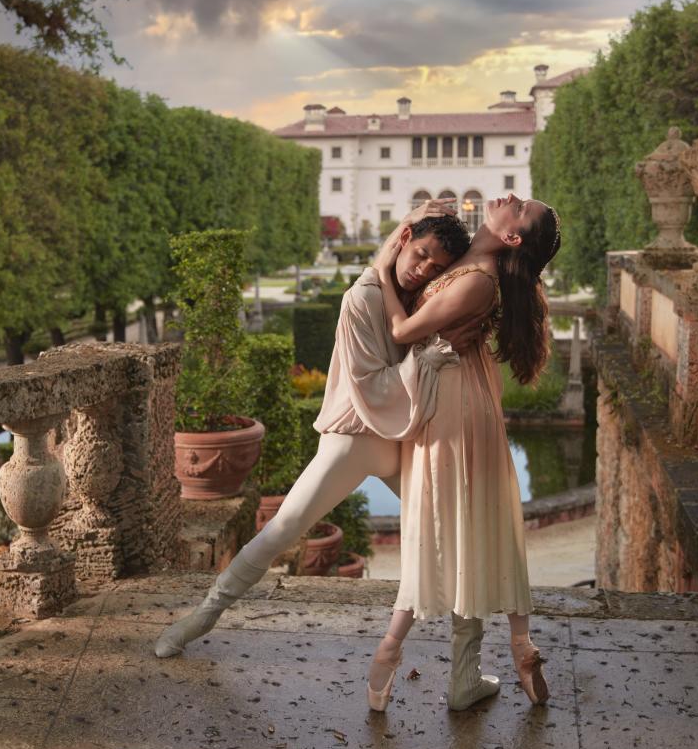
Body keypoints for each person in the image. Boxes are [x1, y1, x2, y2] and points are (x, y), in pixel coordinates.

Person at [154, 201, 480, 659]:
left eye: (436, 266)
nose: (423, 269)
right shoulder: (362, 297)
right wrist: (430, 356)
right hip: (353, 440)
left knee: (456, 526)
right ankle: (200, 617)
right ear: (405, 240)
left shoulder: (414, 297)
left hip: (397, 439)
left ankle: (468, 662)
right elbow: (368, 384)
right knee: (282, 528)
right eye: (421, 253)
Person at [365, 193, 561, 712]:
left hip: (455, 408)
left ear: (513, 236)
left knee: (441, 527)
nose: (508, 197)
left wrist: (383, 271)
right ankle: (477, 671)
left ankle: (389, 653)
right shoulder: (467, 263)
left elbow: (404, 329)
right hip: (453, 399)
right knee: (461, 528)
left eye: (517, 207)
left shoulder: (477, 279)